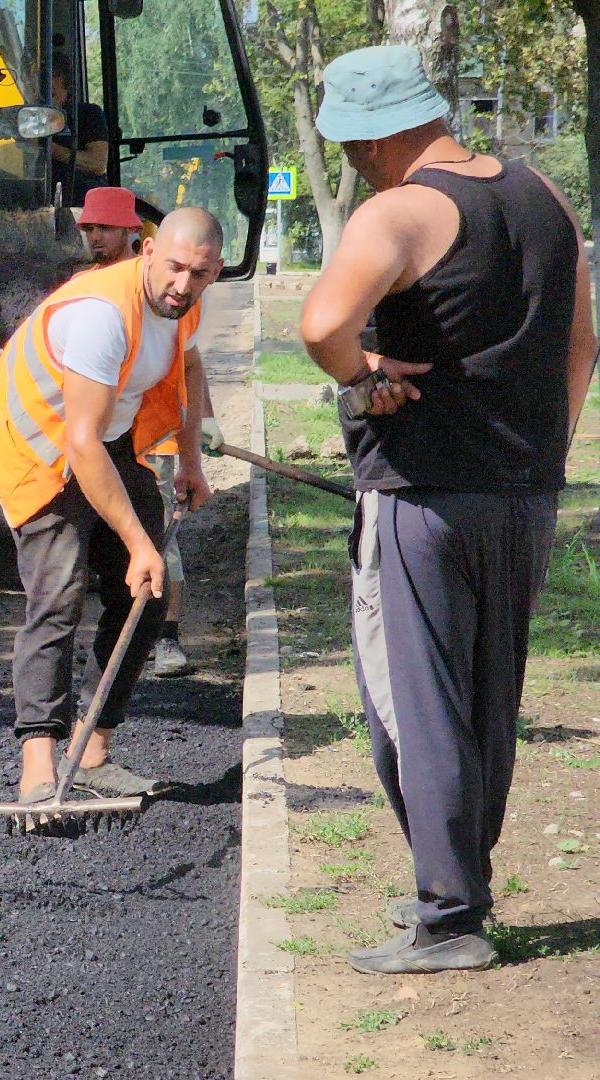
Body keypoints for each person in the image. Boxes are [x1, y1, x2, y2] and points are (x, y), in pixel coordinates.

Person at [300, 46, 594, 975]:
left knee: (414, 707)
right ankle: (459, 876)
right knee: (486, 701)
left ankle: (449, 917)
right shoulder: (544, 195)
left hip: (421, 498)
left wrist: (363, 373)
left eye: (350, 143)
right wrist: (544, 450)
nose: (351, 159)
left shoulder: (400, 211)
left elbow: (320, 325)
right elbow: (581, 343)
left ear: (380, 131)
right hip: (523, 497)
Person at [0, 208, 223, 805]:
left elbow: (187, 368)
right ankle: (38, 765)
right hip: (43, 444)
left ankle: (91, 753)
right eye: (174, 268)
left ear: (215, 270)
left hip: (106, 438)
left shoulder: (182, 305)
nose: (183, 285)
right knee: (58, 596)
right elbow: (78, 442)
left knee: (147, 592)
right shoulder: (101, 316)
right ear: (147, 250)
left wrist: (190, 462)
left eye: (199, 273)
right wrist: (138, 542)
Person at [48, 54, 110, 206]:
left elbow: (97, 163)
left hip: (83, 200)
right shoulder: (20, 119)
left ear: (66, 90)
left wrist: (48, 148)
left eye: (51, 94)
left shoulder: (87, 114)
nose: (40, 98)